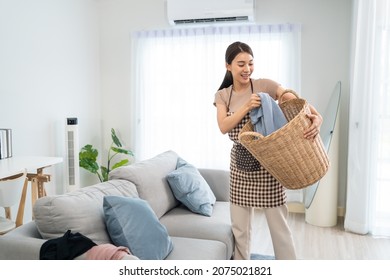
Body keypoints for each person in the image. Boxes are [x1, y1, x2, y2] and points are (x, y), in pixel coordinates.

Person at [213, 41, 323, 260]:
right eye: (241, 64)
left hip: (269, 164)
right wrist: (246, 106)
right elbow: (223, 127)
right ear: (228, 66)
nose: (247, 69)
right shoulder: (223, 95)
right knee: (241, 231)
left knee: (279, 228)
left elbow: (296, 100)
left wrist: (317, 116)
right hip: (240, 169)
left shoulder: (264, 85)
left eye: (251, 63)